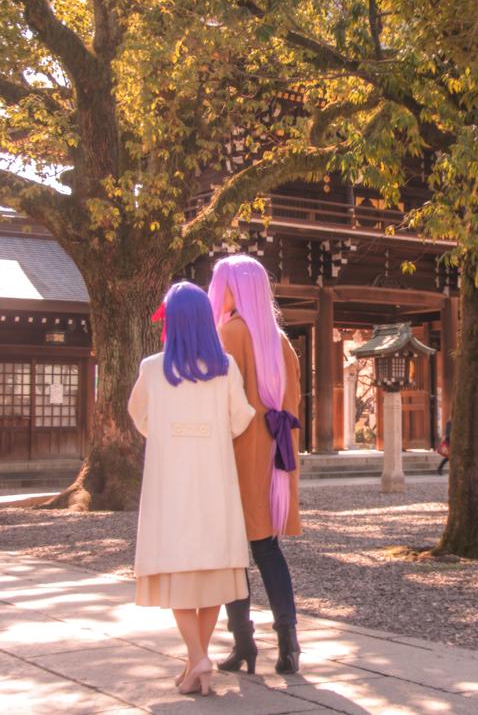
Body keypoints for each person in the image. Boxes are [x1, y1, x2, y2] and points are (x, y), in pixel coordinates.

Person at [128, 282, 256, 695]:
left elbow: (140, 417)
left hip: (171, 481)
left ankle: (196, 660)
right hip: (215, 479)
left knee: (178, 569)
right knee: (215, 571)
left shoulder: (153, 367)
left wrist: (169, 432)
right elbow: (241, 419)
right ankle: (196, 661)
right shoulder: (226, 367)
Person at [208, 255, 304, 675]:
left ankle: (243, 643)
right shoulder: (279, 340)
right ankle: (289, 643)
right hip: (274, 453)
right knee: (268, 548)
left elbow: (218, 402)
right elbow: (292, 403)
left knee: (232, 552)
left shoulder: (229, 333)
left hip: (236, 453)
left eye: (221, 283)